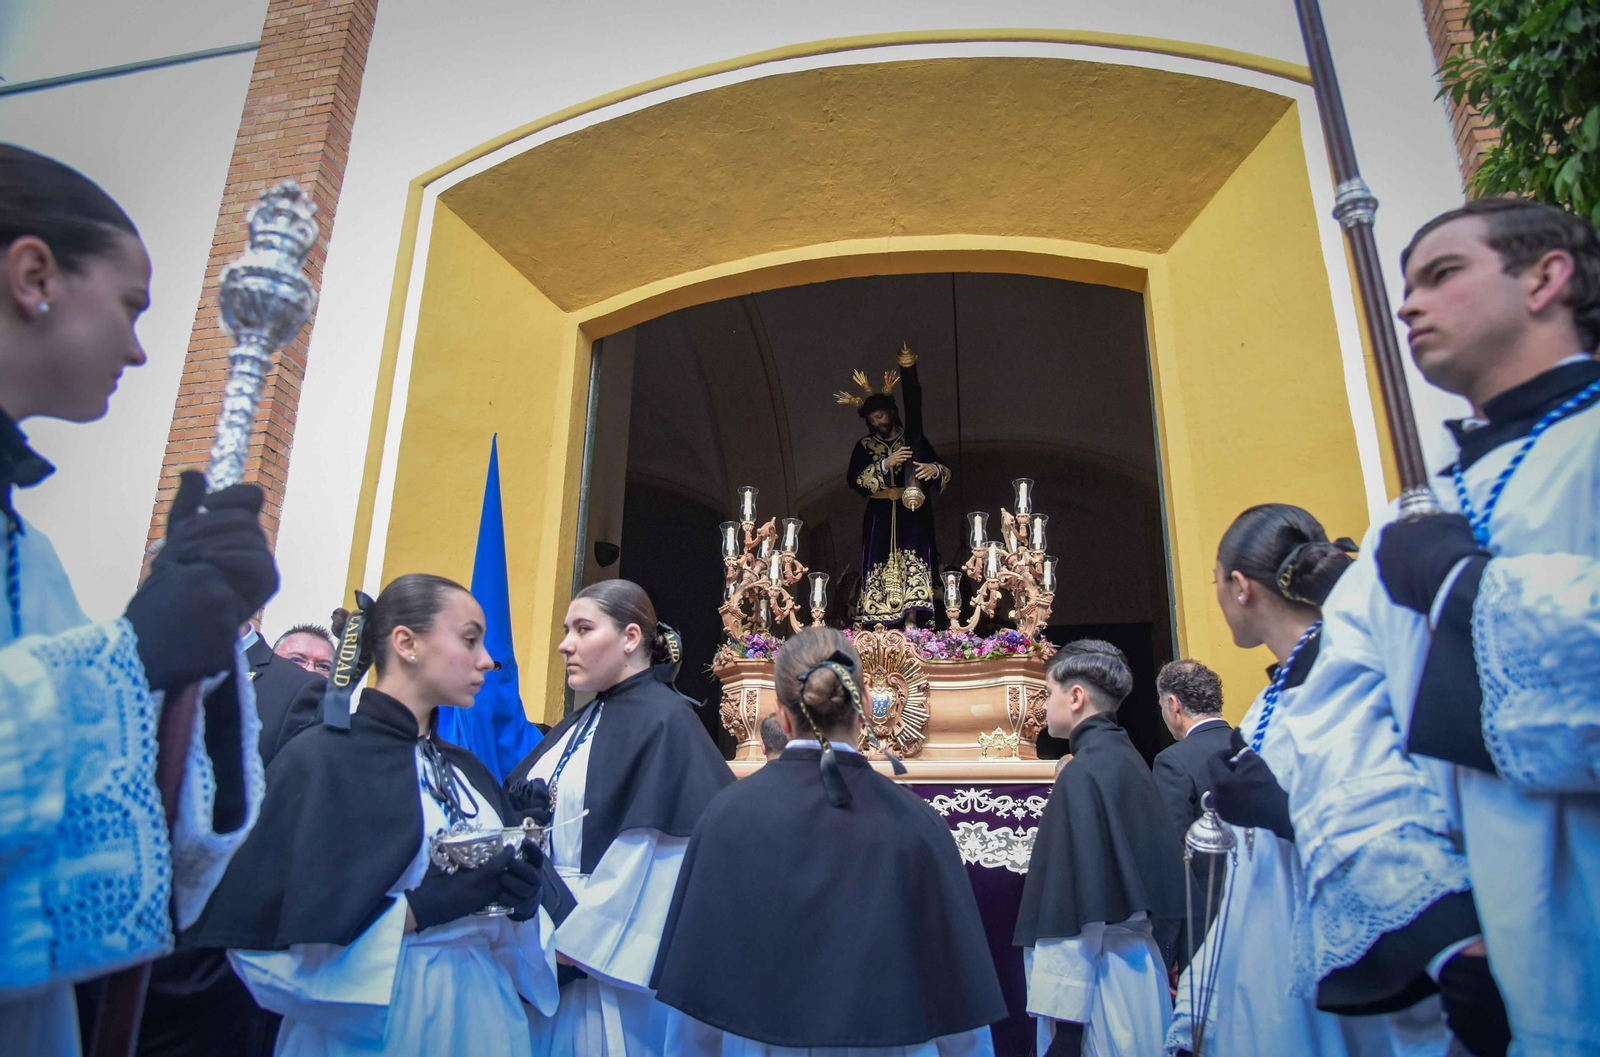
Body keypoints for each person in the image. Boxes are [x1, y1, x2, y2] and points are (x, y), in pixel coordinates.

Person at [1287, 197, 1599, 1056]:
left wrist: (1466, 587)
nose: (1408, 305)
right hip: (1481, 963)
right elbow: (1335, 727)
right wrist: (1442, 928)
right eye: (1404, 285)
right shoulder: (1409, 520)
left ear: (1546, 276)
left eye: (1442, 274)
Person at [0, 144, 273, 1056]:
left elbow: (146, 844)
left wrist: (198, 632)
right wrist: (133, 653)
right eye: (131, 305)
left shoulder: (29, 553)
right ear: (35, 275)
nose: (138, 347)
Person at [184, 573, 559, 1056]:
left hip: (482, 1017)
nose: (488, 659)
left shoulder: (469, 772)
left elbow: (511, 948)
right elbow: (260, 943)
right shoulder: (321, 759)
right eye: (470, 640)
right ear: (407, 643)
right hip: (377, 1025)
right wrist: (417, 911)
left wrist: (521, 909)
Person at [1164, 504, 1450, 1057]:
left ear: (1241, 587)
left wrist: (1276, 807)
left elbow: (1387, 826)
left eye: (1216, 582)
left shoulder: (1346, 673)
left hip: (1349, 962)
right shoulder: (1271, 701)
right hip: (1267, 944)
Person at [652, 627, 1008, 1054]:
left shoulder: (724, 817)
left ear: (782, 717)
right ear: (864, 709)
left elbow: (695, 1006)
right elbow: (961, 1016)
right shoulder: (919, 825)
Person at [508, 579, 734, 1055]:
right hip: (539, 941)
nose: (565, 644)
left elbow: (658, 856)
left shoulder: (667, 722)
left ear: (630, 637)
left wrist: (568, 942)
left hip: (600, 959)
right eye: (566, 630)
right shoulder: (581, 722)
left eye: (583, 629)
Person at [1014, 639, 1187, 1057]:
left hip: (1100, 992)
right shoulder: (1129, 759)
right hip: (1142, 979)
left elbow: (1075, 911)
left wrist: (1066, 1032)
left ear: (1075, 697)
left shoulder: (1082, 775)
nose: (1043, 705)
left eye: (1048, 693)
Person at [840, 345, 951, 627]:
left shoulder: (912, 439)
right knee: (878, 561)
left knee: (913, 558)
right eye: (872, 420)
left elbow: (944, 470)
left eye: (880, 416)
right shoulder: (865, 446)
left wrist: (933, 470)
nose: (876, 423)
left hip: (911, 511)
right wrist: (885, 464)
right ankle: (880, 621)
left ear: (891, 413)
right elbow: (855, 480)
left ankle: (912, 618)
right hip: (879, 513)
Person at [1151, 659, 1232, 846]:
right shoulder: (1250, 743)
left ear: (1174, 704)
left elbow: (1172, 843)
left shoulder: (1172, 761)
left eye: (1161, 706)